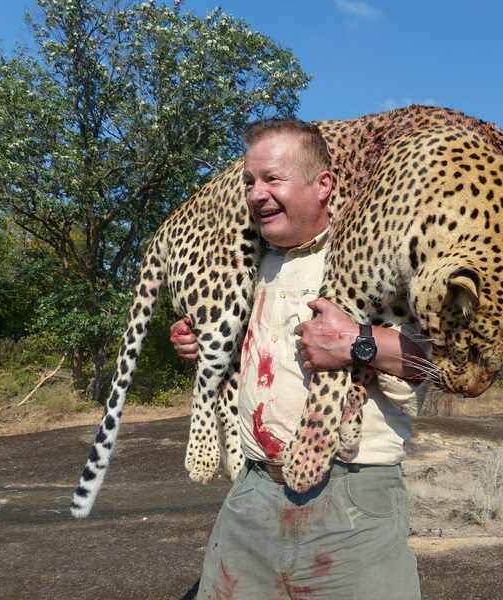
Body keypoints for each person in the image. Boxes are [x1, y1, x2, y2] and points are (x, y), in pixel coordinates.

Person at [169, 119, 427, 599]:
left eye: (272, 179)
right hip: (253, 489)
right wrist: (201, 343)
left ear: (323, 185)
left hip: (352, 496)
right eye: (249, 181)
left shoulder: (383, 256)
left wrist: (359, 342)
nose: (256, 194)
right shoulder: (250, 261)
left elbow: (440, 363)